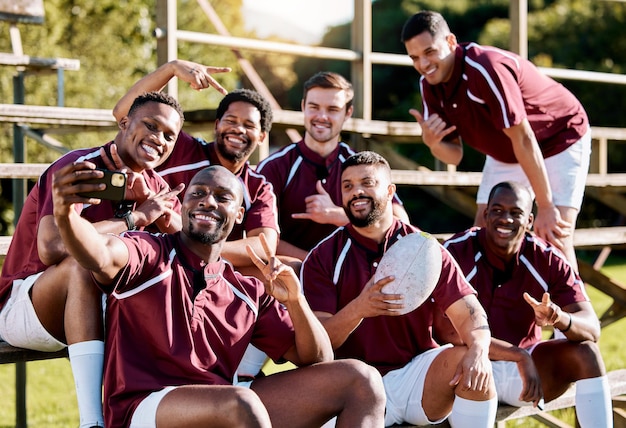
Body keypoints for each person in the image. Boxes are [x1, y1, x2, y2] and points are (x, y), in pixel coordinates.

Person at [52, 163, 387, 428]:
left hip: (223, 407)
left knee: (363, 381)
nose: (207, 201)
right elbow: (98, 253)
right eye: (198, 193)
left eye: (222, 197)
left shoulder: (248, 290)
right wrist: (66, 215)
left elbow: (317, 361)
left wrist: (296, 302)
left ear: (240, 214)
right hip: (145, 409)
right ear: (183, 206)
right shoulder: (148, 253)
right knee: (241, 403)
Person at [0, 91, 186, 428]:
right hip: (28, 304)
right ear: (125, 122)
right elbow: (52, 249)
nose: (159, 139)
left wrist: (166, 219)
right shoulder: (81, 168)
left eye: (169, 136)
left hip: (106, 309)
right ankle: (92, 422)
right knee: (83, 264)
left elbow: (187, 257)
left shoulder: (158, 187)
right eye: (151, 126)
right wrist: (134, 219)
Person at [300, 150, 498, 427]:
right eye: (348, 186)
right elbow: (318, 346)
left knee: (472, 363)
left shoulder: (424, 247)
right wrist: (359, 308)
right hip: (350, 385)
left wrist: (479, 350)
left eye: (367, 183)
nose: (357, 192)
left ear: (390, 190)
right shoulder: (322, 257)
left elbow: (469, 313)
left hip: (414, 375)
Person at [401, 10, 591, 271]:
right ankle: (486, 311)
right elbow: (453, 155)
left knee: (554, 234)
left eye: (430, 52)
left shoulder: (485, 67)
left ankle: (578, 312)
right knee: (482, 233)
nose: (423, 64)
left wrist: (545, 206)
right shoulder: (428, 85)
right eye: (415, 58)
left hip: (559, 135)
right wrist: (433, 143)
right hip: (509, 149)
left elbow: (523, 138)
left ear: (451, 42)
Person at [441, 181, 612, 427]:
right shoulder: (456, 252)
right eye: (498, 210)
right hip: (465, 364)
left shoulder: (547, 257)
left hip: (525, 373)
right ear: (485, 214)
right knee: (456, 354)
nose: (505, 219)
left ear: (530, 220)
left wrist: (558, 318)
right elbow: (442, 329)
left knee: (587, 353)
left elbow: (591, 328)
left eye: (515, 212)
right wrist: (517, 355)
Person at [113, 60, 279, 275]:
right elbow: (123, 113)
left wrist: (203, 248)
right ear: (217, 125)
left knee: (284, 270)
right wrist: (171, 69)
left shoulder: (258, 186)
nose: (238, 129)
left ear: (262, 136)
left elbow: (264, 247)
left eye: (248, 125)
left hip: (208, 266)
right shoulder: (180, 147)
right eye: (231, 120)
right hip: (152, 252)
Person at [256, 71, 410, 261]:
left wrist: (339, 215)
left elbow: (400, 223)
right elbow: (258, 237)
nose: (322, 116)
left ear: (348, 113)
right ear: (303, 107)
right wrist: (316, 266)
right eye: (314, 107)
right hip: (293, 273)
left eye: (332, 109)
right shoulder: (275, 166)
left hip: (356, 273)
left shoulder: (363, 164)